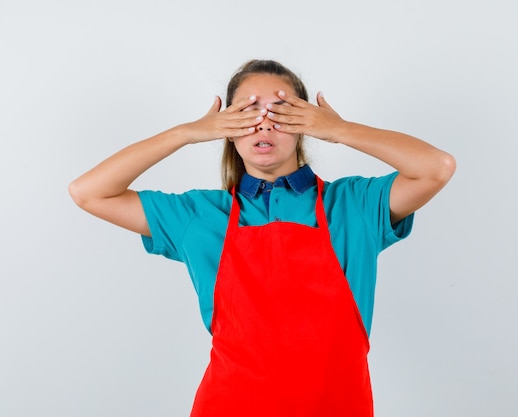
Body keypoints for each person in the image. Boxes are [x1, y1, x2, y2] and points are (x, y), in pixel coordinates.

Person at [69, 59, 456, 416]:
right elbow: (89, 192)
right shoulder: (200, 215)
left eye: (283, 111)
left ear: (306, 123)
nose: (265, 123)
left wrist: (340, 130)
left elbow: (436, 167)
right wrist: (188, 133)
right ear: (226, 129)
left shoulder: (353, 205)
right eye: (248, 113)